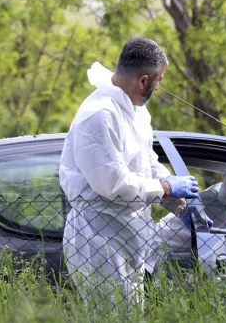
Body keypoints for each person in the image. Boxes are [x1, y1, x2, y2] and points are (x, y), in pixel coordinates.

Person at [59, 37, 200, 306]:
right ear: (143, 81)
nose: (159, 87)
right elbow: (113, 183)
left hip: (128, 235)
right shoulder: (99, 115)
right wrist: (166, 187)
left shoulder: (135, 113)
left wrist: (181, 206)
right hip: (99, 238)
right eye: (158, 80)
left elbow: (147, 164)